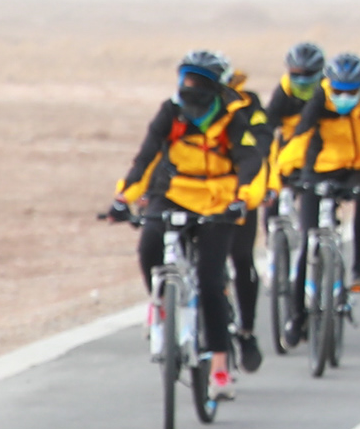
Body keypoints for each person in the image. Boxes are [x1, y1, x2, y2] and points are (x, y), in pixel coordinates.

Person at [113, 49, 266, 391]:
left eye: (200, 81)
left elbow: (250, 162)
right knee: (148, 246)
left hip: (219, 201)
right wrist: (123, 197)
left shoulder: (232, 118)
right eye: (187, 79)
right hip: (174, 192)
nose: (191, 87)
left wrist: (243, 200)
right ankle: (161, 305)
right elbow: (146, 157)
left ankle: (220, 366)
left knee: (211, 281)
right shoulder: (171, 112)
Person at [273, 50, 360, 291]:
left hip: (358, 168)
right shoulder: (320, 98)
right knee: (309, 241)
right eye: (338, 91)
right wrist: (284, 170)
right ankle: (297, 312)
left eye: (351, 92)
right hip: (320, 168)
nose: (343, 97)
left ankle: (359, 267)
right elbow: (300, 136)